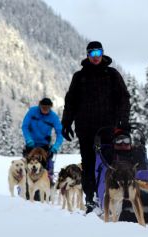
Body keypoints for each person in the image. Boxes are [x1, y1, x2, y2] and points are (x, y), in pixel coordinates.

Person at [61, 41, 130, 214]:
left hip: (108, 128)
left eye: (98, 52)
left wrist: (123, 120)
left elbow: (123, 98)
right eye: (92, 53)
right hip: (85, 128)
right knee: (89, 165)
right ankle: (91, 200)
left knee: (110, 163)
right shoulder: (79, 77)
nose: (95, 56)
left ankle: (113, 197)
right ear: (87, 55)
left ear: (102, 53)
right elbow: (70, 102)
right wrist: (66, 123)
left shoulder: (112, 74)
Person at [21, 97, 63, 178]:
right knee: (26, 165)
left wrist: (55, 147)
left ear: (50, 107)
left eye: (48, 108)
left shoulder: (53, 117)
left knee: (48, 165)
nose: (45, 109)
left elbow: (60, 133)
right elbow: (24, 126)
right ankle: (23, 185)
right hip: (31, 144)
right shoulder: (32, 111)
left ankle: (49, 183)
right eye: (43, 107)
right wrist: (28, 139)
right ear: (40, 105)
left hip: (44, 145)